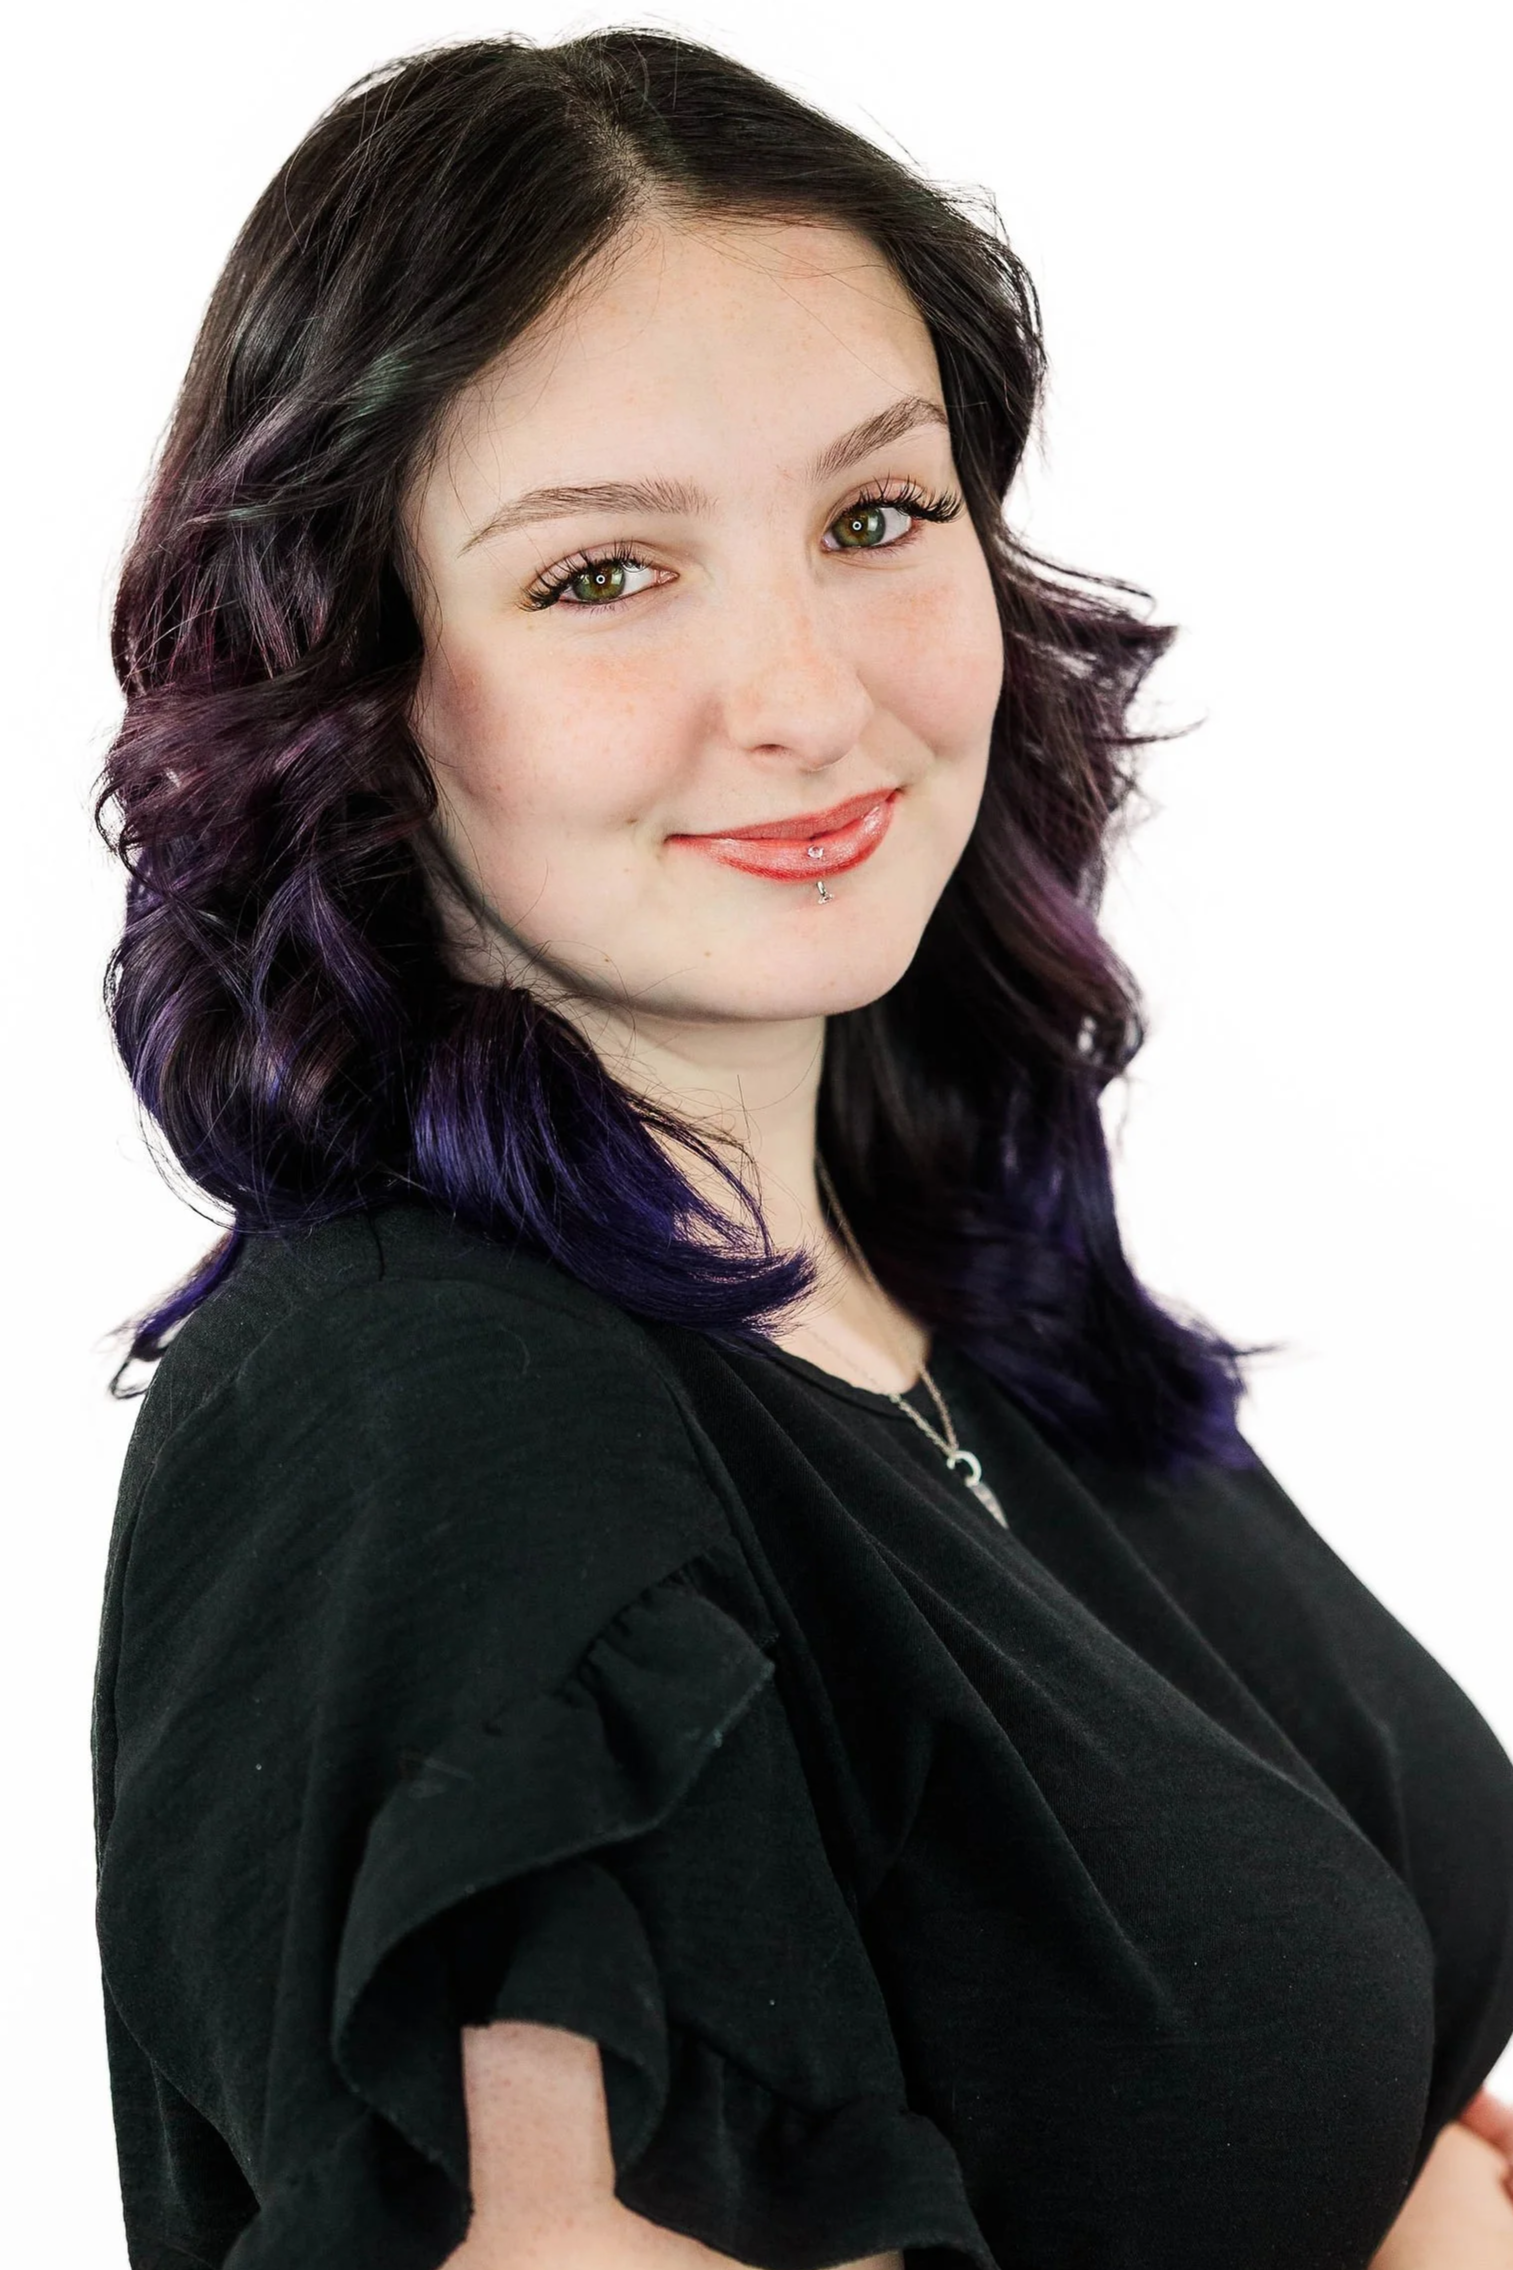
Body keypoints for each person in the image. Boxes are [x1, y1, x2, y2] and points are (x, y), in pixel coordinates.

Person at [89, 27, 1513, 2270]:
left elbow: (1345, 2119)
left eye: (876, 516)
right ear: (353, 677)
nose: (807, 691)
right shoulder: (429, 1428)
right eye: (599, 576)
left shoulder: (973, 1290)